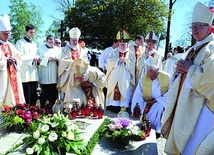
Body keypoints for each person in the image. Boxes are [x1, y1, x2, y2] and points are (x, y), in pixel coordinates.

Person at [161, 2, 214, 155]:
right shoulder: (194, 48)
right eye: (192, 26)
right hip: (184, 101)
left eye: (199, 26)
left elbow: (210, 77)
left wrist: (189, 68)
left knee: (194, 144)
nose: (194, 30)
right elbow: (184, 70)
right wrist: (179, 71)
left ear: (209, 27)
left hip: (202, 107)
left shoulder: (211, 47)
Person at [131, 65, 170, 135]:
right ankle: (146, 129)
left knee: (159, 107)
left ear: (158, 73)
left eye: (153, 76)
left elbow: (171, 92)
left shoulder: (167, 77)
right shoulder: (143, 79)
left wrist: (156, 100)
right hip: (147, 101)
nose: (150, 78)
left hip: (161, 100)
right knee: (145, 113)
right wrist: (137, 108)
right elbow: (138, 95)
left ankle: (156, 130)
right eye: (149, 76)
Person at [105, 29, 135, 113]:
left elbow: (133, 64)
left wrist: (125, 60)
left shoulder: (131, 53)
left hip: (125, 76)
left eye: (124, 44)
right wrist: (118, 60)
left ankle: (123, 106)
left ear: (127, 44)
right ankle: (112, 106)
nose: (122, 46)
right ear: (118, 44)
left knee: (124, 89)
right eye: (121, 44)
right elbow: (109, 62)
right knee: (113, 88)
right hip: (114, 75)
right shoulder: (114, 52)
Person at [0, 14, 25, 107]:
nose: (7, 35)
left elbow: (19, 57)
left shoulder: (10, 45)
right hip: (2, 78)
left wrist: (15, 60)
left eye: (9, 33)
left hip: (13, 75)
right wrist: (5, 60)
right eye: (5, 33)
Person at [57, 27, 88, 96]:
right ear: (70, 40)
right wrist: (74, 63)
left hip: (79, 74)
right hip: (68, 75)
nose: (75, 42)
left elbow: (86, 61)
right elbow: (63, 60)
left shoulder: (81, 50)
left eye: (76, 40)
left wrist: (81, 65)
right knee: (68, 93)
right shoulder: (64, 49)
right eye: (73, 40)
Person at [15, 24, 39, 106]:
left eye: (34, 32)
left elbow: (37, 55)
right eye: (31, 32)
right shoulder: (20, 42)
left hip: (33, 72)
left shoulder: (34, 44)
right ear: (26, 32)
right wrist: (32, 58)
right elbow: (19, 56)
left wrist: (38, 59)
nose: (32, 34)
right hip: (25, 72)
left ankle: (33, 111)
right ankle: (26, 112)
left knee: (34, 93)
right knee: (26, 93)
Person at [37, 35, 60, 110]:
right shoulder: (40, 48)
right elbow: (38, 59)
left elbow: (60, 58)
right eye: (49, 41)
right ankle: (43, 108)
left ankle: (52, 108)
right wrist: (47, 59)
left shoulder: (57, 49)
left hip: (54, 74)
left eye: (52, 41)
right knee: (44, 93)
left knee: (53, 93)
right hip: (45, 74)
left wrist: (57, 60)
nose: (51, 43)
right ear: (46, 41)